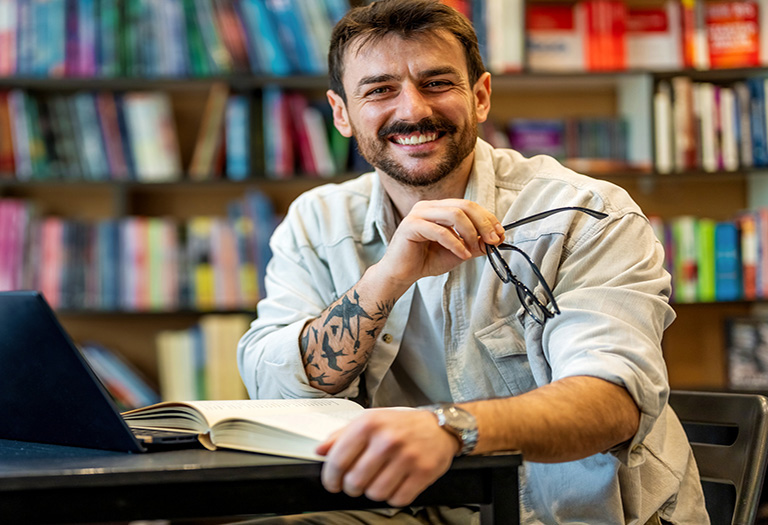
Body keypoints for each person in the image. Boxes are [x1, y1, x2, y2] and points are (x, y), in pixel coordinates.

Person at [236, 0, 708, 523]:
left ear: (480, 96)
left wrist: (448, 427)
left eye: (437, 83)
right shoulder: (317, 221)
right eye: (379, 89)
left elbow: (613, 401)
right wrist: (385, 280)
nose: (412, 110)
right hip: (402, 511)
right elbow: (273, 386)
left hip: (571, 515)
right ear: (341, 113)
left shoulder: (587, 214)